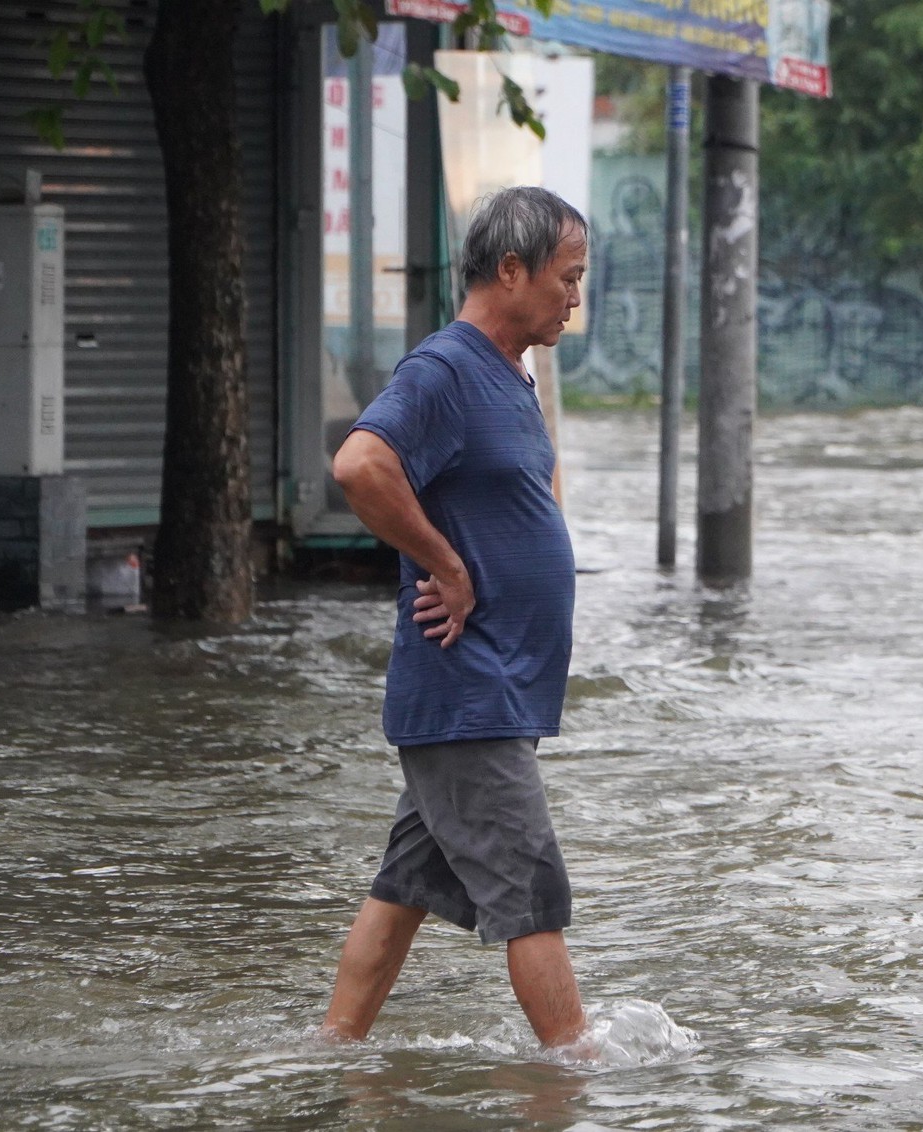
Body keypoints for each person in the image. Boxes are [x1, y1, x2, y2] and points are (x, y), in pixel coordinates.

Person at [320, 186, 590, 1049]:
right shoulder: (443, 368)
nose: (575, 298)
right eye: (567, 278)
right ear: (509, 271)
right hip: (468, 685)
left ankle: (332, 1055)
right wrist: (445, 564)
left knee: (403, 890)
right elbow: (361, 465)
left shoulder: (510, 373)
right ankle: (574, 1076)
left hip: (492, 689)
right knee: (533, 894)